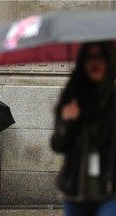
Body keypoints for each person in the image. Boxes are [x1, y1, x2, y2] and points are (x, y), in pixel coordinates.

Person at [50, 41, 116, 216]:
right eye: (90, 57)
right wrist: (67, 122)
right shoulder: (72, 97)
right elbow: (57, 145)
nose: (95, 62)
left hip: (110, 190)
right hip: (77, 191)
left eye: (100, 56)